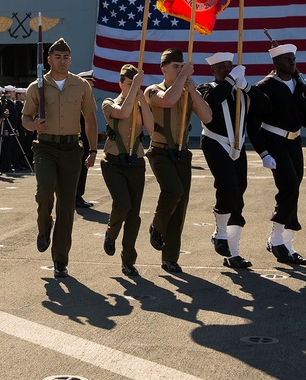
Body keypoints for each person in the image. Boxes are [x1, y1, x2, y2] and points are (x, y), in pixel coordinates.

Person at [249, 42, 306, 266]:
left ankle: (286, 243)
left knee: (294, 188)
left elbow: (305, 115)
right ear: (276, 63)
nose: (292, 62)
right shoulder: (263, 88)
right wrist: (264, 152)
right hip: (274, 142)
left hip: (295, 142)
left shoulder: (299, 85)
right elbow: (253, 125)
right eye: (287, 59)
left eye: (293, 59)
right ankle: (277, 241)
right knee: (289, 187)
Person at [21, 38, 97, 279]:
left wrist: (93, 150)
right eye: (57, 57)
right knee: (44, 189)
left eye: (66, 57)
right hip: (45, 147)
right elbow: (25, 118)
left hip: (71, 149)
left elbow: (90, 119)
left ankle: (60, 260)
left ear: (70, 60)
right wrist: (34, 124)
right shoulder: (37, 87)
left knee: (67, 206)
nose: (62, 61)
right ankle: (44, 227)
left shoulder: (81, 85)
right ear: (49, 59)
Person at [197, 52, 271, 269]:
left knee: (238, 192)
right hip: (215, 142)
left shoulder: (241, 89)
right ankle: (219, 234)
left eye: (230, 66)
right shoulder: (207, 88)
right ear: (213, 71)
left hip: (238, 145)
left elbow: (266, 107)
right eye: (222, 67)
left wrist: (246, 86)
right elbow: (210, 104)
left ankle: (233, 252)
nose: (227, 70)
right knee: (227, 184)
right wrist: (229, 81)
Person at [144, 48, 212, 273]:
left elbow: (207, 116)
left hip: (182, 153)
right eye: (176, 66)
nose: (181, 69)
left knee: (180, 207)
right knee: (173, 191)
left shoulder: (186, 91)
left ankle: (170, 258)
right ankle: (157, 226)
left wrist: (193, 91)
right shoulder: (153, 91)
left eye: (182, 66)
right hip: (160, 151)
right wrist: (183, 78)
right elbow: (167, 100)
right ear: (163, 69)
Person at [100, 64, 154, 277]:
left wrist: (142, 100)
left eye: (136, 84)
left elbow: (150, 128)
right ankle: (111, 233)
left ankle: (128, 260)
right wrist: (134, 93)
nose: (134, 87)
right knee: (122, 204)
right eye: (130, 84)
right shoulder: (109, 103)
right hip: (113, 163)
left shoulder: (141, 104)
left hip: (136, 163)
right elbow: (122, 113)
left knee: (134, 215)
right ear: (121, 84)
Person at [75, 70, 97, 208]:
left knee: (83, 169)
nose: (91, 85)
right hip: (78, 138)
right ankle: (75, 196)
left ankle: (79, 195)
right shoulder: (77, 99)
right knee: (78, 169)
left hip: (86, 138)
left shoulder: (87, 98)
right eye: (88, 82)